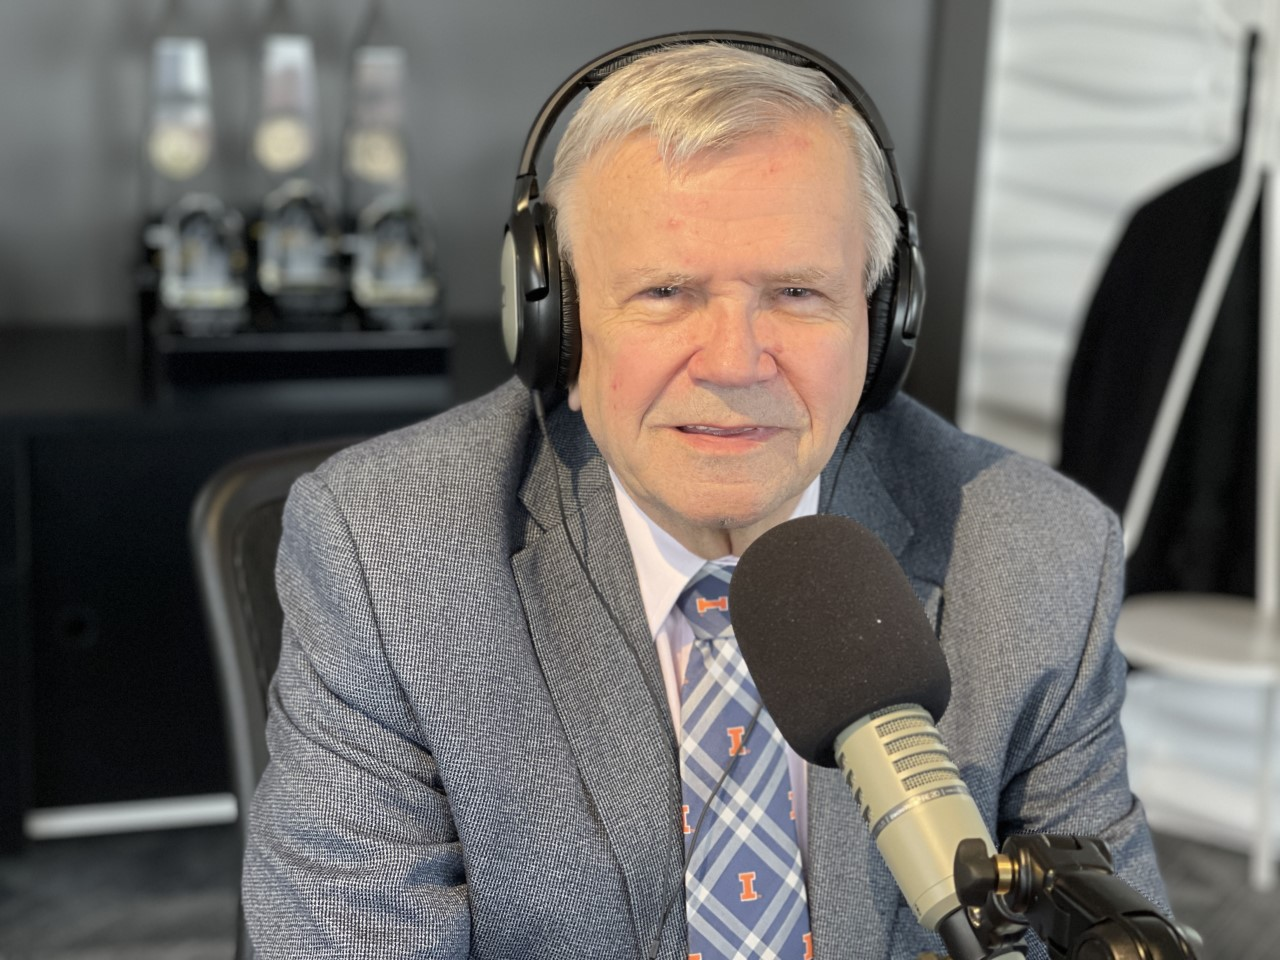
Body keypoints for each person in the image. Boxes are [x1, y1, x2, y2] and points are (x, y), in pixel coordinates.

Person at [243, 35, 1168, 959]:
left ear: (883, 322)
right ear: (557, 329)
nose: (734, 362)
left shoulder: (1038, 553)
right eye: (666, 292)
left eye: (797, 292)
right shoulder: (388, 553)